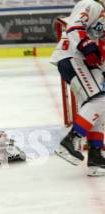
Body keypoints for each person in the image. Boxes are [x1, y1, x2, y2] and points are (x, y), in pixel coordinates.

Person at [51, 0, 105, 176]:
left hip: (82, 62)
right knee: (99, 99)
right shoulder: (92, 4)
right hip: (73, 58)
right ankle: (70, 140)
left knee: (99, 105)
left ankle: (95, 156)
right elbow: (74, 27)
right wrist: (87, 47)